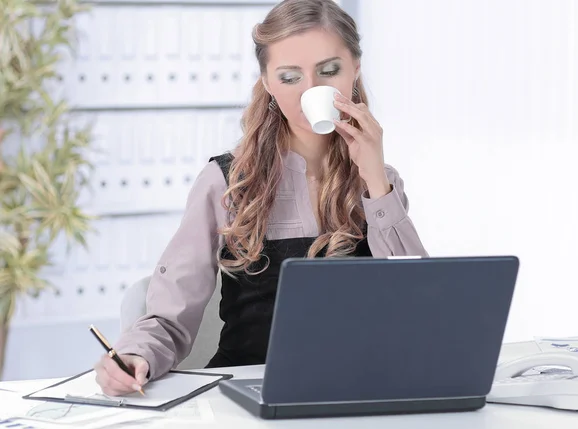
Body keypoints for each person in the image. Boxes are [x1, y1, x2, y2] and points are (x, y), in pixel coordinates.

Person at [94, 0, 428, 396]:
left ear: (355, 69)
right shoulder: (226, 182)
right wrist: (135, 356)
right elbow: (169, 318)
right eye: (290, 77)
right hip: (250, 392)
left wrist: (374, 177)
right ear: (267, 82)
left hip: (354, 389)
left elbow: (418, 307)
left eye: (329, 70)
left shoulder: (380, 184)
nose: (312, 90)